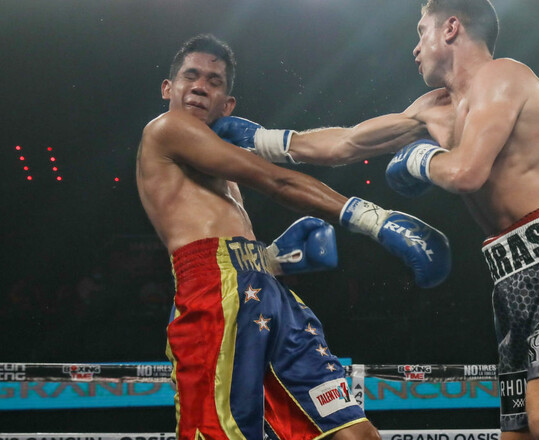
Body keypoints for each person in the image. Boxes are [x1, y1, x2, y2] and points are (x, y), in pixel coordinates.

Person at [213, 0, 539, 438]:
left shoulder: (505, 76)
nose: (416, 47)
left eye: (421, 31)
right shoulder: (432, 109)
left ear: (451, 28)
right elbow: (347, 143)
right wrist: (263, 139)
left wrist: (421, 158)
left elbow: (466, 172)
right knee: (518, 435)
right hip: (512, 281)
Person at [136, 34, 450, 440]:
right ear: (168, 88)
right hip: (213, 296)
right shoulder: (166, 129)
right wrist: (375, 220)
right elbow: (276, 180)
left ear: (227, 105)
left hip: (266, 294)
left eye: (214, 82)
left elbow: (327, 145)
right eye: (190, 76)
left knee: (352, 431)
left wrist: (271, 259)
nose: (199, 87)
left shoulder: (224, 160)